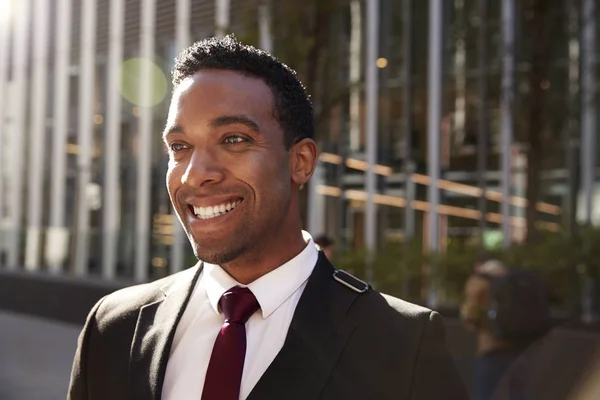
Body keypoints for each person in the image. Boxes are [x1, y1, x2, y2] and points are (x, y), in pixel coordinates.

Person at [68, 35, 468, 400]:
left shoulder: (402, 345)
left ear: (301, 161)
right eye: (179, 146)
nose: (195, 173)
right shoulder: (114, 327)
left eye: (234, 139)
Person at [460, 259, 527, 400]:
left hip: (490, 351)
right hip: (518, 350)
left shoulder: (481, 285)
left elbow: (469, 317)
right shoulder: (514, 285)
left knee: (486, 394)